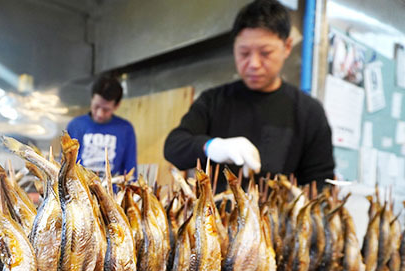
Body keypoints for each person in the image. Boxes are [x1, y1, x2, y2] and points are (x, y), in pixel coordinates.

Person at [164, 0, 334, 193]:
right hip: (214, 219)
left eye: (265, 53)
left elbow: (321, 181)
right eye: (244, 53)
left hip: (277, 220)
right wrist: (212, 146)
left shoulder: (309, 112)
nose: (253, 63)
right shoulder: (213, 100)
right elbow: (173, 146)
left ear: (287, 47)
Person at [67, 74, 137, 177]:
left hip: (111, 191)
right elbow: (65, 165)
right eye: (96, 106)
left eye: (106, 109)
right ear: (91, 99)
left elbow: (131, 171)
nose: (99, 113)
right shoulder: (75, 125)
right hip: (78, 189)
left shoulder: (125, 129)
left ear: (116, 106)